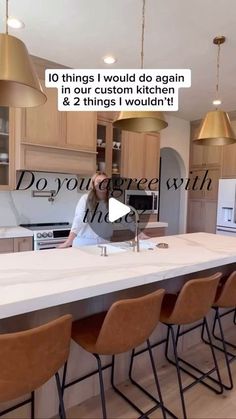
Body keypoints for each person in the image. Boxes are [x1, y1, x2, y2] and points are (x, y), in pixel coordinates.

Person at [59, 172, 112, 248]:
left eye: (106, 181)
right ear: (93, 184)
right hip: (85, 242)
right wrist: (69, 242)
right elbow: (79, 220)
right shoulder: (86, 199)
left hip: (104, 242)